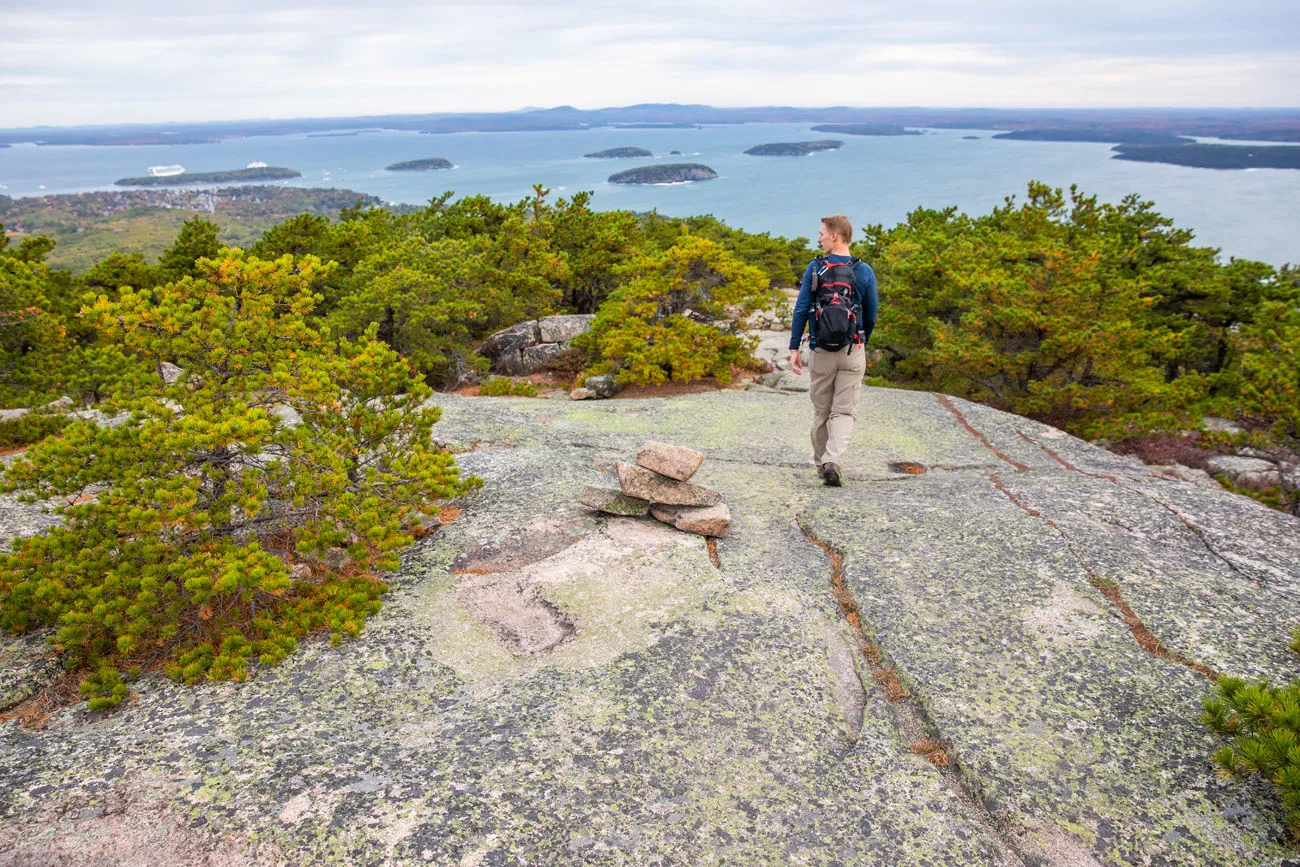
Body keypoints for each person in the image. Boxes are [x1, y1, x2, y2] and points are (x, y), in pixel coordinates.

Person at [788, 215, 878, 487]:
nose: (818, 238)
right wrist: (862, 341)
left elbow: (802, 308)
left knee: (821, 412)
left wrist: (794, 347)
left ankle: (821, 464)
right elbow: (871, 314)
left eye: (821, 234)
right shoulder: (864, 271)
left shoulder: (815, 268)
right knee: (844, 412)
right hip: (853, 349)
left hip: (821, 350)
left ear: (835, 236)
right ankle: (833, 461)